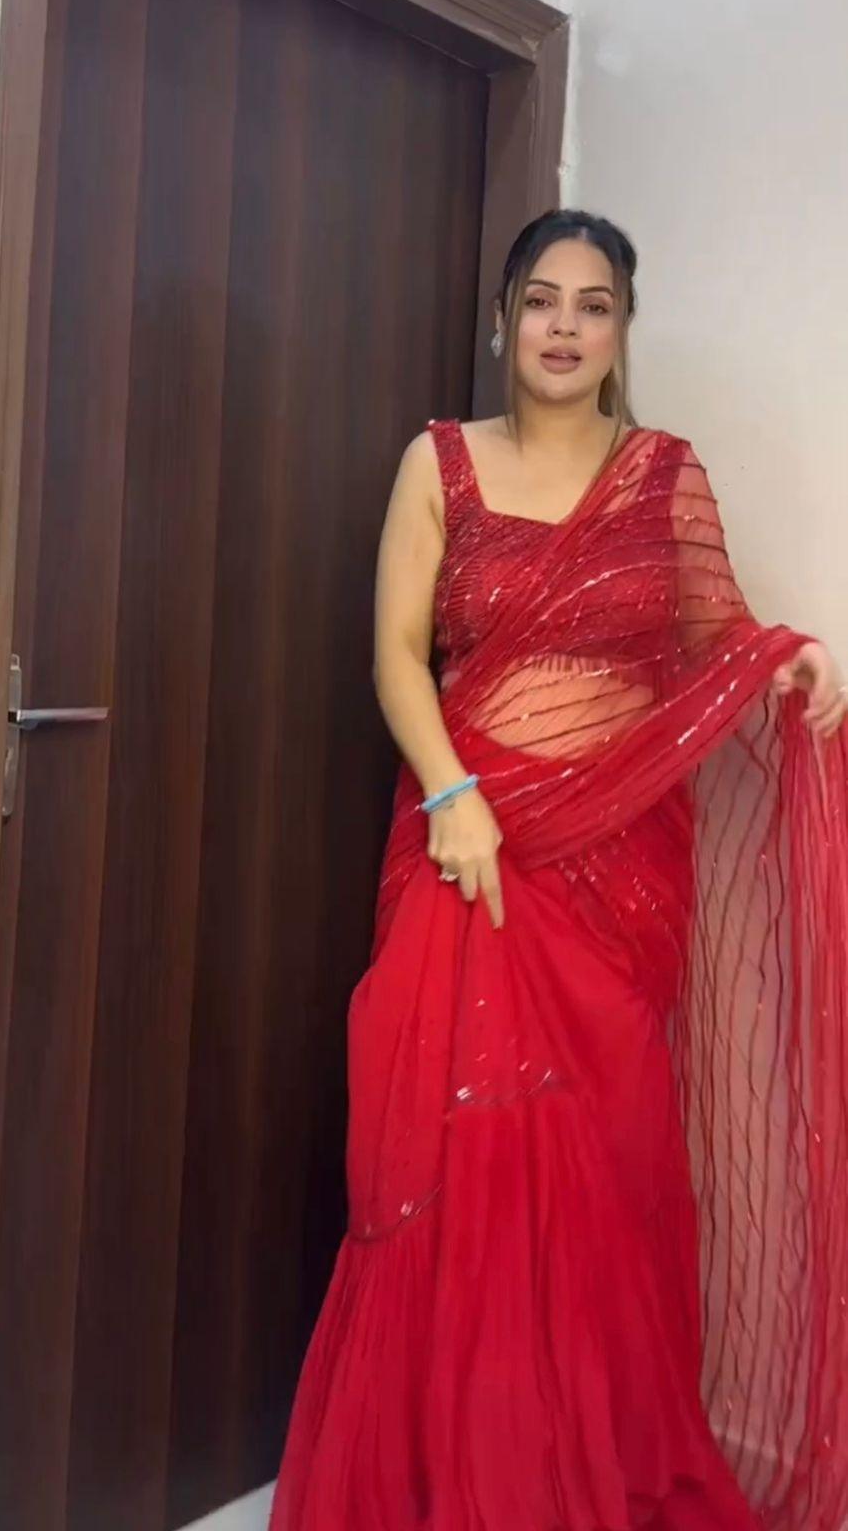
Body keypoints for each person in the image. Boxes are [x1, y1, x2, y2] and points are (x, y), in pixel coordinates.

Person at [270, 210, 848, 1530]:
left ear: (622, 332)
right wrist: (455, 798)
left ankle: (580, 1478)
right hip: (468, 855)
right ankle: (456, 1485)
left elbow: (710, 640)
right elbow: (395, 655)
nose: (565, 327)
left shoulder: (663, 476)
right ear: (503, 320)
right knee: (459, 1158)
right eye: (542, 300)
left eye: (594, 305)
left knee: (605, 1160)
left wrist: (786, 658)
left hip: (618, 876)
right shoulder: (440, 463)